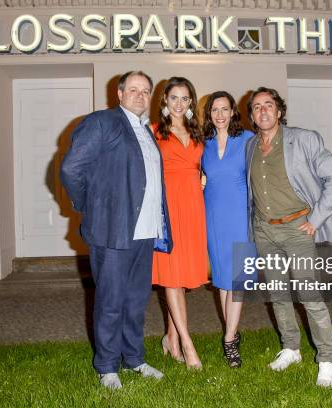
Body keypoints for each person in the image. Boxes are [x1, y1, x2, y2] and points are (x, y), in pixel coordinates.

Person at [60, 71, 173, 390]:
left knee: (136, 300)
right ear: (119, 94)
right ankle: (107, 366)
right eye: (133, 90)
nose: (140, 95)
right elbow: (71, 168)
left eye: (146, 91)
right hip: (113, 231)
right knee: (110, 300)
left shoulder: (146, 130)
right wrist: (90, 205)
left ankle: (134, 358)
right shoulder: (102, 122)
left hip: (145, 230)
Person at [245, 87, 332, 387]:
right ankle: (291, 349)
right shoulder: (250, 146)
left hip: (297, 227)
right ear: (251, 114)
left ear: (279, 111)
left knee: (309, 296)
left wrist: (315, 219)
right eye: (257, 107)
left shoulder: (303, 139)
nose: (263, 111)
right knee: (277, 293)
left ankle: (327, 360)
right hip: (264, 229)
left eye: (269, 105)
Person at [151, 77, 208, 370]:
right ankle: (187, 344)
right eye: (174, 97)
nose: (179, 104)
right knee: (172, 275)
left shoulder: (198, 134)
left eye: (185, 99)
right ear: (164, 100)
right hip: (167, 208)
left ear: (190, 103)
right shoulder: (154, 132)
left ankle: (170, 338)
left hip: (193, 207)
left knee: (182, 276)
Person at [201, 91, 254, 368]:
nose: (220, 115)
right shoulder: (204, 144)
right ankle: (231, 334)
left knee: (238, 279)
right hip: (213, 216)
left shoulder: (246, 139)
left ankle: (229, 339)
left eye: (225, 109)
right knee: (222, 279)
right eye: (214, 110)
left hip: (240, 216)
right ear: (209, 114)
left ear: (233, 111)